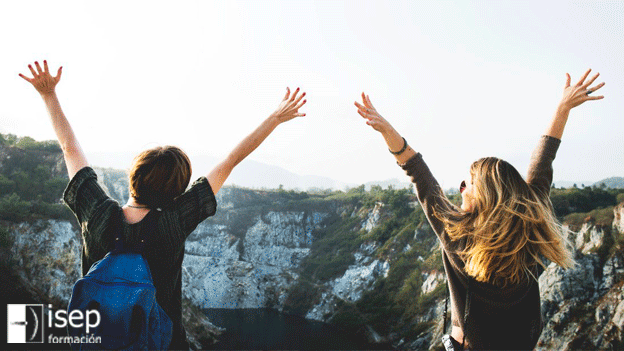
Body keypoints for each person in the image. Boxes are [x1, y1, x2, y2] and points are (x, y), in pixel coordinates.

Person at [19, 60, 307, 349]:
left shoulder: (97, 214)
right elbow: (230, 161)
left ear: (133, 176)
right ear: (177, 192)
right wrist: (275, 118)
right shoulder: (174, 221)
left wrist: (48, 95)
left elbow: (69, 148)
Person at [354, 69, 604, 349]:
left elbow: (418, 173)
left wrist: (387, 131)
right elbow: (543, 158)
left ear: (485, 194)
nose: (461, 187)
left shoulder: (457, 235)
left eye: (467, 183)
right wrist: (563, 108)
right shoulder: (529, 225)